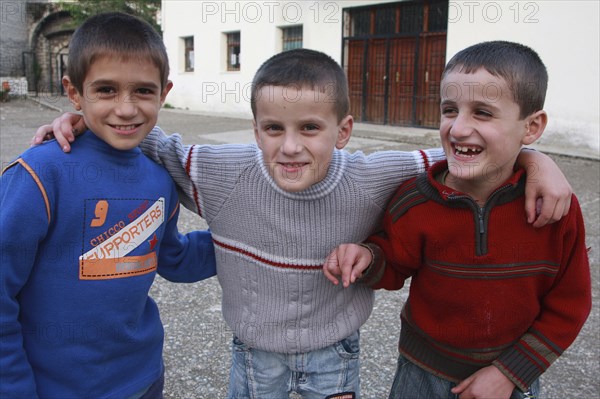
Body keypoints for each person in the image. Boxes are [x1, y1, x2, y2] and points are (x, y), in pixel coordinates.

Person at [33, 48, 572, 399]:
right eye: (273, 127)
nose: (290, 146)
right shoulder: (220, 173)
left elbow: (464, 152)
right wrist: (84, 117)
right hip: (250, 355)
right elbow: (154, 140)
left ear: (343, 132)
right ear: (255, 127)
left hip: (334, 358)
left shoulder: (371, 176)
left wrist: (535, 160)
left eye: (310, 127)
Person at [323, 41, 592, 399]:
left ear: (532, 127)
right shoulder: (417, 199)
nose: (459, 128)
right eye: (450, 110)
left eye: (482, 113)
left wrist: (511, 372)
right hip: (421, 373)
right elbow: (394, 261)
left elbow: (570, 304)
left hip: (510, 381)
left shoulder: (554, 208)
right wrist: (368, 257)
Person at [0, 12, 217, 399]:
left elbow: (174, 258)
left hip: (144, 378)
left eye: (143, 91)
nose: (126, 108)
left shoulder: (160, 180)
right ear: (74, 92)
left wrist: (249, 239)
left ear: (163, 93)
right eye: (105, 90)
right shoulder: (38, 175)